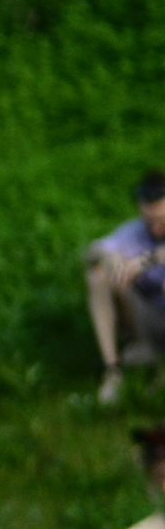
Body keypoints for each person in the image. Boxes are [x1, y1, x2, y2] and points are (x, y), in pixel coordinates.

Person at [83, 169, 165, 405]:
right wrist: (109, 257)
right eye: (150, 221)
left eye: (162, 221)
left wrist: (146, 260)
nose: (156, 229)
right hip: (149, 320)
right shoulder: (136, 232)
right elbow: (91, 251)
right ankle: (112, 370)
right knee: (98, 275)